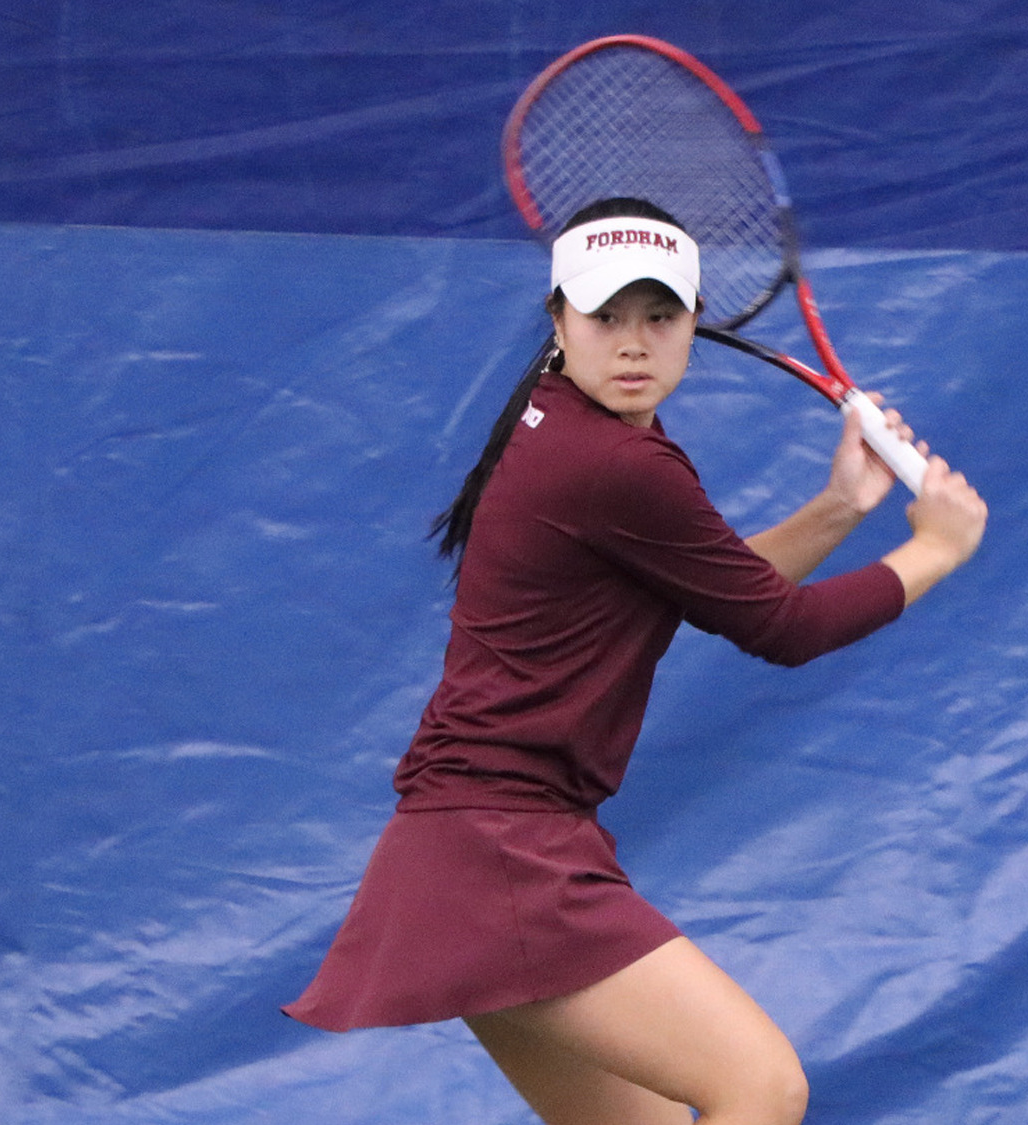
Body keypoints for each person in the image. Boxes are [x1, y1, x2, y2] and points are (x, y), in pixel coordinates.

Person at [284, 197, 987, 1125]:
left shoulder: (570, 427)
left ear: (693, 324)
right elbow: (784, 628)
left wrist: (839, 507)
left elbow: (720, 593)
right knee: (761, 1087)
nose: (634, 341)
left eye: (660, 316)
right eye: (605, 314)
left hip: (465, 845)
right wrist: (936, 548)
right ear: (558, 321)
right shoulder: (615, 464)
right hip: (501, 851)